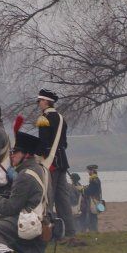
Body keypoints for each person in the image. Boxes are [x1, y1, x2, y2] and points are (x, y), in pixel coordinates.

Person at [35, 89, 76, 237]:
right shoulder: (61, 118)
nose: (39, 103)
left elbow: (43, 144)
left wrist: (36, 157)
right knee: (63, 199)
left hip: (50, 162)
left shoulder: (43, 119)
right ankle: (70, 231)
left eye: (40, 101)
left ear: (46, 102)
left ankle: (50, 232)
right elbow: (64, 143)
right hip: (62, 161)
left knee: (48, 198)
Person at [78, 165, 102, 233]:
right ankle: (93, 230)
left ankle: (94, 230)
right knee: (93, 216)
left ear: (92, 171)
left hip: (93, 201)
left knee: (92, 216)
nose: (88, 172)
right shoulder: (95, 179)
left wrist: (82, 189)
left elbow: (90, 191)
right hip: (95, 200)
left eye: (88, 171)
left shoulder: (94, 180)